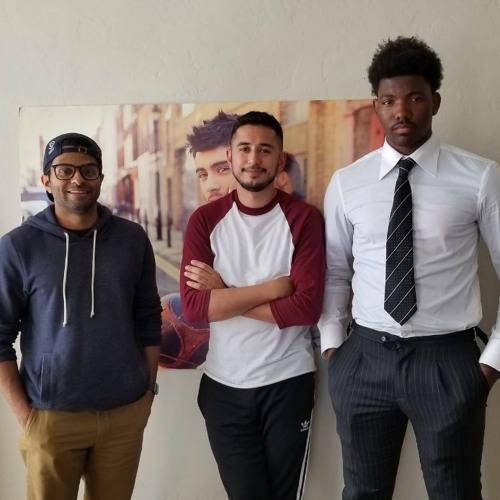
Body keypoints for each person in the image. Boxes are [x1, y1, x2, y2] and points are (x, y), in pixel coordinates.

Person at [319, 36, 500, 499]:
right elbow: (335, 272)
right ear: (375, 106)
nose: (402, 111)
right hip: (363, 359)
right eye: (389, 100)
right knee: (362, 491)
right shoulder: (347, 183)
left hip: (447, 362)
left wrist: (489, 366)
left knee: (455, 492)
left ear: (435, 102)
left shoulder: (480, 177)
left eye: (415, 98)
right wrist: (334, 350)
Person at [0, 132, 162, 500]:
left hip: (124, 414)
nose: (78, 179)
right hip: (51, 418)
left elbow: (149, 319)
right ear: (47, 180)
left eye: (88, 170)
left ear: (100, 178)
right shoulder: (18, 246)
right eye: (65, 170)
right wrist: (27, 417)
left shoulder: (132, 239)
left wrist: (147, 393)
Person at [180, 111, 325, 499]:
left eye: (265, 149)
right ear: (231, 155)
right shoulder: (205, 221)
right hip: (223, 386)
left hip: (287, 383)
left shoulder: (303, 219)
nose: (253, 159)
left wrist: (224, 291)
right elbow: (194, 307)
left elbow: (306, 309)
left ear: (280, 159)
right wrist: (273, 289)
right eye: (244, 148)